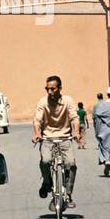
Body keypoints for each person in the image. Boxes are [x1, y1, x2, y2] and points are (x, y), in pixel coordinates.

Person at [32, 75, 79, 205]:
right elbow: (37, 120)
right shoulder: (43, 102)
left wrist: (77, 132)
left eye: (52, 89)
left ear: (60, 88)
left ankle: (68, 194)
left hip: (65, 138)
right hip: (47, 139)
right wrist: (37, 133)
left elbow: (74, 118)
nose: (49, 92)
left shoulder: (68, 101)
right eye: (47, 89)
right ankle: (47, 182)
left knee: (72, 164)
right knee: (45, 161)